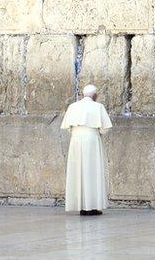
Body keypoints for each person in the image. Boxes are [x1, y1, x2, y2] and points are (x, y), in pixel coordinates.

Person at [60, 84, 112, 215]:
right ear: (95, 95)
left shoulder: (72, 107)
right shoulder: (98, 106)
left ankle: (81, 206)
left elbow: (67, 127)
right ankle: (92, 206)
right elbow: (105, 129)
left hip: (76, 140)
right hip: (92, 140)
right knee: (92, 171)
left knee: (78, 171)